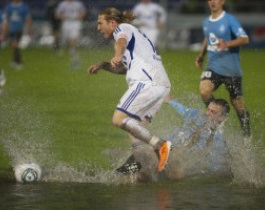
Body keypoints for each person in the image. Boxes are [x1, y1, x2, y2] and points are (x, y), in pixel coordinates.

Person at [87, 7, 172, 173]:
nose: (98, 28)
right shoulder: (135, 41)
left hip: (146, 82)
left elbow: (121, 42)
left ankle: (160, 146)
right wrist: (104, 65)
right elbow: (123, 69)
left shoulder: (123, 29)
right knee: (135, 129)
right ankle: (143, 165)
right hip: (159, 85)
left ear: (112, 23)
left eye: (100, 23)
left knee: (118, 119)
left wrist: (117, 54)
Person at [116, 96, 231, 181]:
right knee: (143, 163)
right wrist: (169, 100)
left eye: (213, 112)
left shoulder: (218, 139)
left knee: (146, 155)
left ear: (222, 117)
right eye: (208, 109)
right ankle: (122, 174)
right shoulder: (196, 114)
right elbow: (184, 110)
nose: (208, 113)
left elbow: (217, 164)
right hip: (167, 151)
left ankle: (120, 174)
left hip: (176, 162)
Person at [195, 0, 251, 138]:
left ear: (222, 1)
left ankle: (247, 136)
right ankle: (217, 119)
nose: (213, 2)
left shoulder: (229, 20)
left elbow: (245, 39)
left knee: (238, 105)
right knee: (204, 90)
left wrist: (227, 43)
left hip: (231, 70)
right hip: (213, 66)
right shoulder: (207, 22)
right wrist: (201, 55)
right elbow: (208, 39)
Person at [56, 0, 86, 69]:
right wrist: (64, 16)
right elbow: (57, 15)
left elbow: (83, 13)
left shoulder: (78, 4)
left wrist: (79, 16)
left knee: (72, 40)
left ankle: (75, 58)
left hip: (76, 23)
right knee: (69, 42)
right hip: (66, 23)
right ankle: (74, 55)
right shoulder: (63, 4)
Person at [4, 0, 31, 70]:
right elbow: (6, 19)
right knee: (14, 46)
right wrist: (5, 30)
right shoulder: (9, 6)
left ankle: (19, 62)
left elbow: (28, 19)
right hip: (11, 29)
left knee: (15, 44)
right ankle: (14, 60)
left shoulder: (24, 7)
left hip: (19, 29)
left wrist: (28, 31)